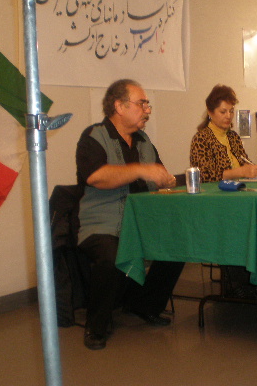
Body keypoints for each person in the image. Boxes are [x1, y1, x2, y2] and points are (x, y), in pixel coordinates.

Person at [76, 79, 184, 350]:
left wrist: (167, 180)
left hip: (141, 221)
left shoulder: (144, 141)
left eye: (147, 104)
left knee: (178, 244)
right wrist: (141, 170)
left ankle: (144, 304)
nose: (147, 110)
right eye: (142, 104)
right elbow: (96, 177)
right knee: (111, 256)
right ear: (119, 106)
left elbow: (159, 175)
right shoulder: (94, 136)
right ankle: (96, 326)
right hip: (102, 224)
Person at [190, 84, 257, 182]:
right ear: (210, 112)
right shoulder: (201, 139)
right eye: (223, 112)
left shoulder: (233, 136)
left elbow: (245, 163)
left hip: (239, 187)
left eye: (231, 111)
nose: (228, 116)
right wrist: (241, 172)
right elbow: (205, 176)